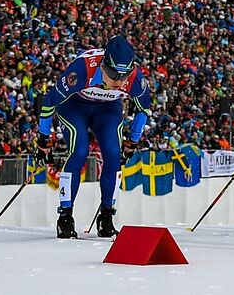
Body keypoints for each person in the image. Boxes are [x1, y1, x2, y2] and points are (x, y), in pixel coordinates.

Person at [37, 35, 151, 238]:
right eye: (113, 74)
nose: (119, 81)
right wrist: (43, 139)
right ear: (103, 66)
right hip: (74, 106)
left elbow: (144, 111)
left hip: (107, 109)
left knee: (114, 155)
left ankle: (106, 215)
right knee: (79, 151)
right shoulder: (83, 69)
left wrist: (132, 141)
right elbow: (49, 102)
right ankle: (65, 216)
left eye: (124, 76)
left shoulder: (135, 78)